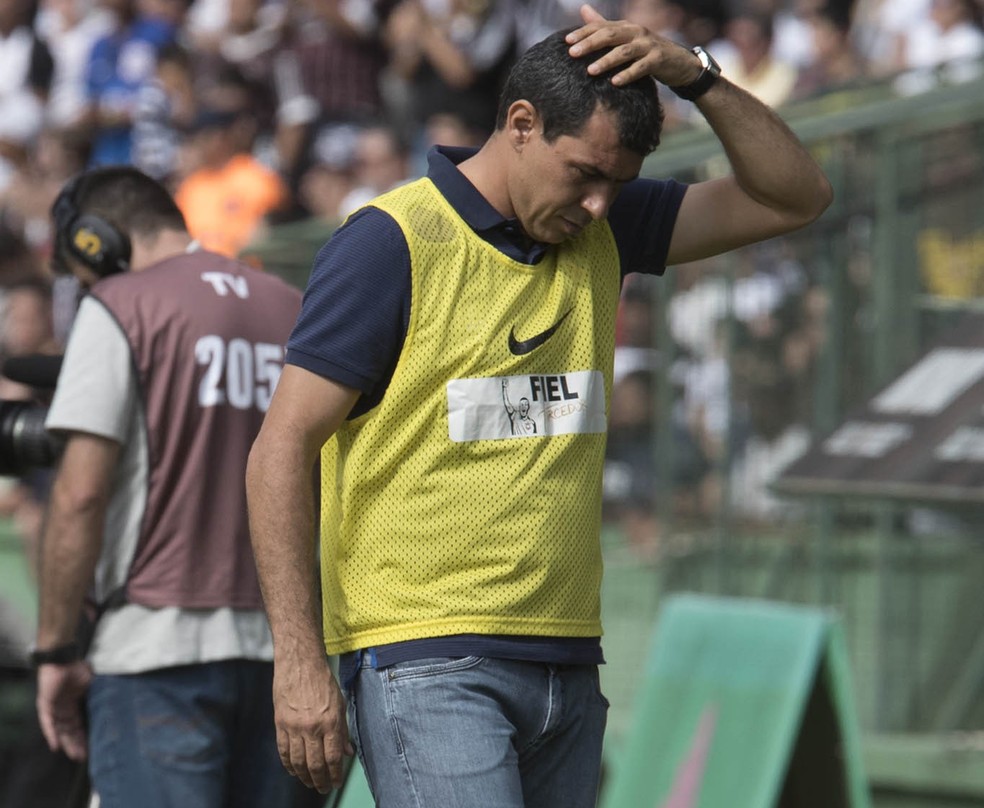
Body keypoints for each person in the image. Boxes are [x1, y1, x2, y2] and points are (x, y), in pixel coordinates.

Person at [245, 4, 831, 806]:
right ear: (520, 123)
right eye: (585, 174)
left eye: (616, 185)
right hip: (426, 660)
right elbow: (280, 448)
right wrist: (299, 660)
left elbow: (794, 197)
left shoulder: (605, 222)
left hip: (568, 665)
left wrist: (695, 75)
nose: (599, 205)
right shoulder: (389, 243)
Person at [31, 167, 315, 808]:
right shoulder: (291, 305)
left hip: (153, 655)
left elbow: (79, 497)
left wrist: (54, 650)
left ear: (96, 242)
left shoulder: (121, 305)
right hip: (283, 663)